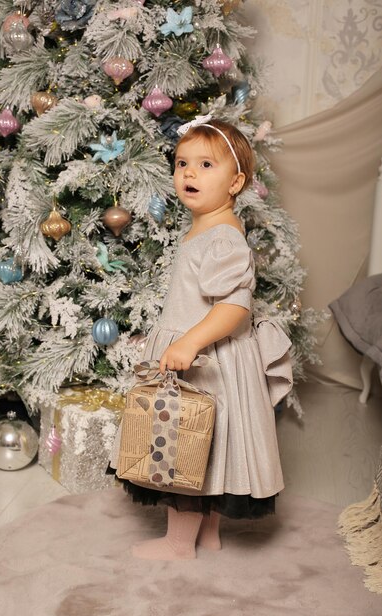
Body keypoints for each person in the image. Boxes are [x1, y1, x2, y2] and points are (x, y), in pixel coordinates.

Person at [109, 115, 293, 560]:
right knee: (212, 448)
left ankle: (178, 544)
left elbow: (234, 306)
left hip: (208, 359)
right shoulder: (209, 227)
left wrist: (189, 341)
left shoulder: (223, 237)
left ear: (236, 183)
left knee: (182, 447)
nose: (189, 173)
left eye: (206, 165)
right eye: (181, 163)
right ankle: (206, 533)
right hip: (204, 355)